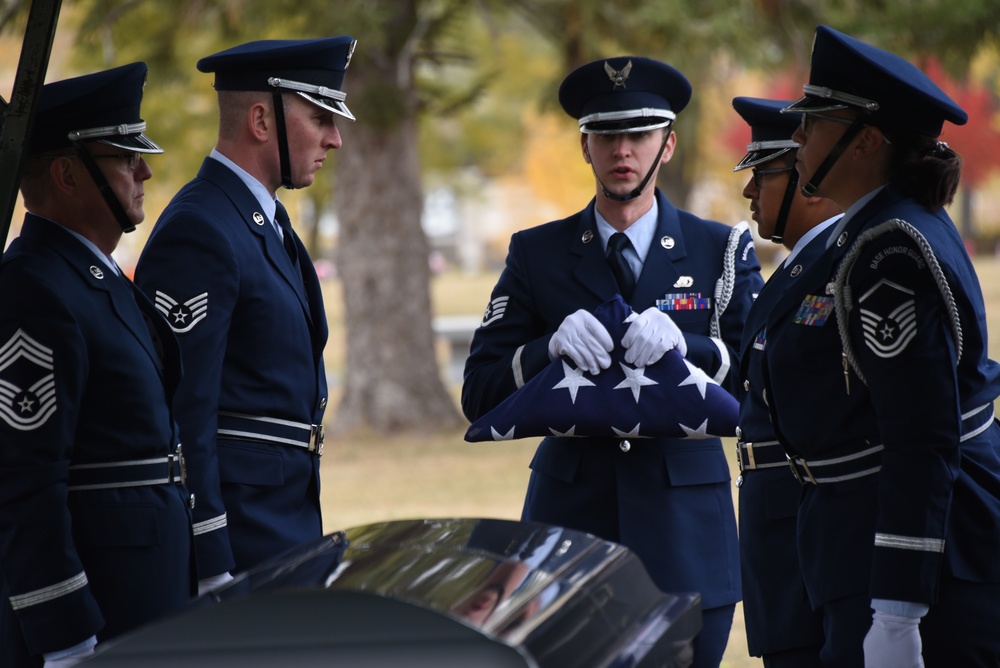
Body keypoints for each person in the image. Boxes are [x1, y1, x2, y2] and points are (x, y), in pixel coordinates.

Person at [462, 56, 764, 668]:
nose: (621, 150)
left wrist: (691, 347)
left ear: (668, 144)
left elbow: (769, 380)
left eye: (639, 135)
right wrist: (545, 348)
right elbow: (480, 393)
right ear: (584, 146)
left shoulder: (720, 248)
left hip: (686, 529)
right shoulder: (536, 254)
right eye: (606, 135)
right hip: (569, 528)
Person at [761, 25, 1000, 666]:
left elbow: (922, 435)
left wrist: (899, 607)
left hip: (918, 558)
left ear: (866, 141)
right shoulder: (868, 234)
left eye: (814, 123)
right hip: (852, 539)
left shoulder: (891, 250)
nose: (799, 138)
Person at [134, 37, 355, 593]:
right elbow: (183, 412)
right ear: (261, 119)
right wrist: (211, 558)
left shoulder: (261, 222)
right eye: (320, 117)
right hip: (241, 536)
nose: (335, 136)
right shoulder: (202, 228)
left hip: (281, 521)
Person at [0, 63, 194, 667]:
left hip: (141, 603)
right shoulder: (34, 288)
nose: (146, 170)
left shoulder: (95, 279)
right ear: (67, 174)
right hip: (95, 619)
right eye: (126, 156)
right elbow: (23, 481)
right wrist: (66, 637)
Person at [731, 96, 843, 667]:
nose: (750, 192)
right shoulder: (800, 266)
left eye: (763, 174)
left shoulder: (839, 264)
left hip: (814, 526)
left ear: (809, 178)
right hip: (779, 529)